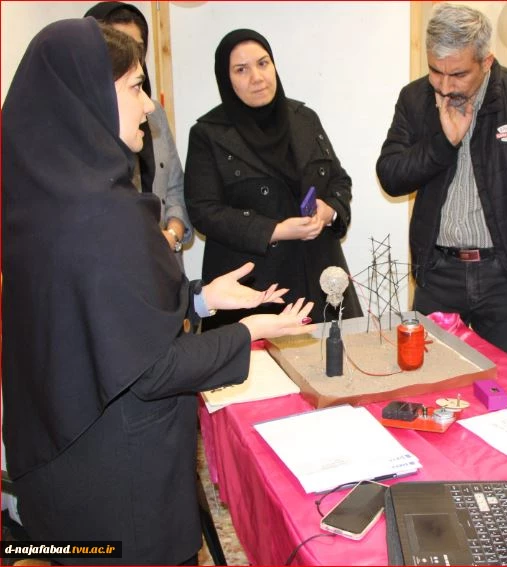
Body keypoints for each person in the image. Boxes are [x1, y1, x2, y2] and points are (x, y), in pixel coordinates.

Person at [1, 19, 315, 565]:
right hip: (124, 492)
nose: (148, 106)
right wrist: (250, 332)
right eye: (135, 87)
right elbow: (151, 368)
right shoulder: (105, 214)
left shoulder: (39, 199)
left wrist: (200, 298)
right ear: (90, 98)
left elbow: (102, 317)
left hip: (65, 475)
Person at [376, 3, 507, 354]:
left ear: (486, 62)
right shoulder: (415, 98)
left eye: (458, 74)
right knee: (430, 373)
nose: (444, 86)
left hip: (504, 273)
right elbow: (391, 176)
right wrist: (443, 143)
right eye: (434, 71)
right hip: (438, 270)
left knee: (503, 379)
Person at [185, 29, 361, 329]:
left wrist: (329, 210)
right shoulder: (208, 134)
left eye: (263, 63)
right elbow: (204, 211)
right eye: (241, 69)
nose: (257, 77)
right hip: (256, 288)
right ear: (225, 78)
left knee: (335, 355)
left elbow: (339, 180)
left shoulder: (305, 118)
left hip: (321, 279)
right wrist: (275, 230)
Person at [85, 1, 193, 265]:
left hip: (165, 265)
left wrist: (171, 235)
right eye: (119, 46)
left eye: (138, 48)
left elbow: (175, 186)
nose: (132, 57)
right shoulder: (81, 134)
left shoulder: (152, 111)